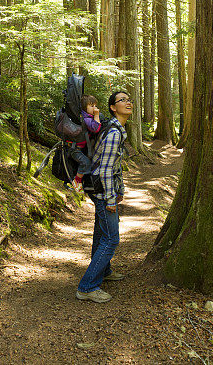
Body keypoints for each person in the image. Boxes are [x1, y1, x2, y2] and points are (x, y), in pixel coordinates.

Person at [76, 90, 132, 303]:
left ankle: (104, 271)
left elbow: (113, 166)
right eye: (122, 100)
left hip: (99, 188)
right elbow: (105, 169)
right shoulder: (114, 132)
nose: (128, 102)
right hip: (102, 190)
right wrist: (110, 198)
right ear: (112, 107)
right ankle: (87, 286)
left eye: (129, 99)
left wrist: (119, 191)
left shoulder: (114, 128)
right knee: (111, 238)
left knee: (101, 233)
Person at [70, 95, 101, 192]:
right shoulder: (86, 118)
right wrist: (96, 115)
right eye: (92, 106)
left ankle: (82, 183)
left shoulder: (86, 116)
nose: (95, 108)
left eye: (95, 106)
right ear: (84, 107)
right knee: (86, 162)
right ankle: (76, 181)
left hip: (80, 148)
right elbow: (96, 128)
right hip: (75, 149)